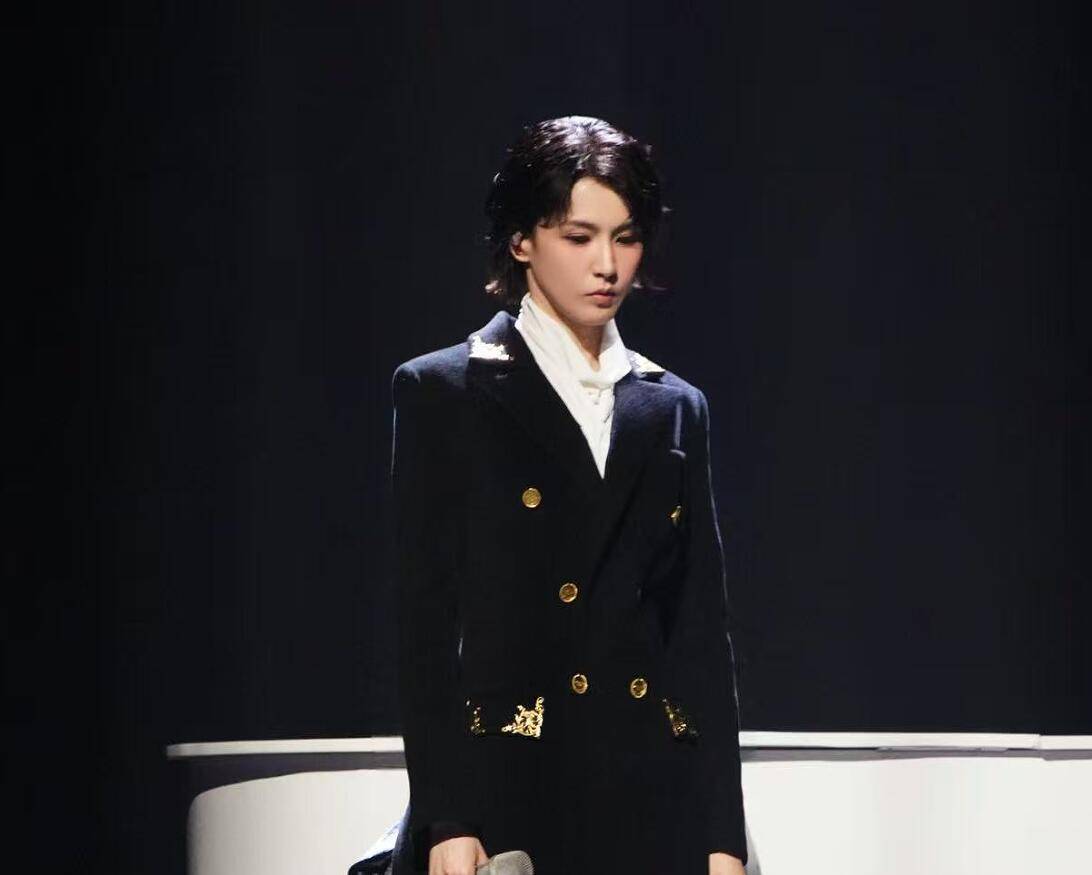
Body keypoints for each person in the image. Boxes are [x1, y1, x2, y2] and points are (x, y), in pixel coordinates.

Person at [388, 116, 748, 875]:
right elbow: (424, 627)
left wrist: (723, 837)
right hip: (510, 794)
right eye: (579, 237)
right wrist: (448, 817)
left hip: (653, 803)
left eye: (626, 238)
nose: (607, 265)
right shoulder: (447, 391)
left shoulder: (674, 407)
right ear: (522, 240)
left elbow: (700, 639)